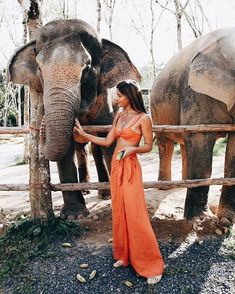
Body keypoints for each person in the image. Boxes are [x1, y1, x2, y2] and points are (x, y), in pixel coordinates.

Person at [73, 80, 164, 284]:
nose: (116, 98)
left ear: (130, 96)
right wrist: (84, 134)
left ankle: (150, 264)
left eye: (120, 95)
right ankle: (124, 255)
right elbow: (107, 142)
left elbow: (149, 146)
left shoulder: (144, 118)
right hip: (116, 165)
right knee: (120, 210)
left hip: (131, 166)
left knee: (135, 213)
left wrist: (133, 149)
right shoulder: (119, 116)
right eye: (117, 95)